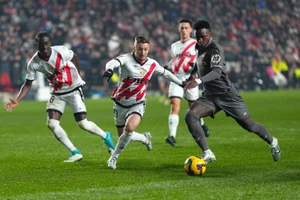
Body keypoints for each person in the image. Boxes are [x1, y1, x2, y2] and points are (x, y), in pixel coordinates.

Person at [3, 31, 115, 162]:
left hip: (73, 89)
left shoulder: (60, 51)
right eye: (41, 44)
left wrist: (77, 75)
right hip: (57, 92)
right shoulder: (33, 63)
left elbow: (75, 57)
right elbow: (28, 84)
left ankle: (105, 135)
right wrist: (17, 99)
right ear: (36, 45)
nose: (44, 47)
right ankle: (75, 152)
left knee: (82, 124)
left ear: (50, 43)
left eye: (46, 44)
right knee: (52, 123)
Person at [183, 20, 281, 163]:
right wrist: (192, 74)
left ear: (210, 34)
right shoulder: (199, 46)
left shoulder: (216, 49)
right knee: (190, 116)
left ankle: (273, 143)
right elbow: (199, 63)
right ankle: (208, 153)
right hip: (211, 97)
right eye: (197, 37)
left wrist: (197, 81)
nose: (199, 40)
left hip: (228, 96)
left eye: (203, 37)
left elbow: (216, 72)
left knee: (250, 126)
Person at [103, 36, 184, 169]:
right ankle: (144, 138)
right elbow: (112, 63)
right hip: (120, 103)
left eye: (145, 49)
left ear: (148, 49)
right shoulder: (126, 59)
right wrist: (109, 70)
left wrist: (181, 83)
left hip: (138, 103)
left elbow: (166, 74)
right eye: (140, 49)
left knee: (128, 129)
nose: (143, 52)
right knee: (123, 135)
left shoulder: (152, 64)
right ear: (134, 48)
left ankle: (113, 158)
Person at [165, 19, 210, 147]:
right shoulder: (174, 46)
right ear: (179, 29)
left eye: (186, 28)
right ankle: (172, 136)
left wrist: (196, 71)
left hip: (191, 80)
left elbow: (201, 60)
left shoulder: (196, 44)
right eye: (182, 28)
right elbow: (173, 60)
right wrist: (166, 66)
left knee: (193, 109)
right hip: (176, 79)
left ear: (191, 30)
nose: (184, 30)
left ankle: (202, 124)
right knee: (175, 106)